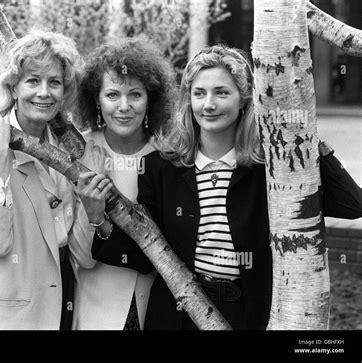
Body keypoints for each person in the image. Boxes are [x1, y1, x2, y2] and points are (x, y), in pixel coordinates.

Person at [89, 44, 362, 330]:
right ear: (189, 100)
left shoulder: (270, 169)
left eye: (222, 92)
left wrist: (306, 135)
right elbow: (145, 254)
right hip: (178, 316)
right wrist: (98, 218)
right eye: (199, 93)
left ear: (244, 99)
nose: (209, 104)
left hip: (250, 314)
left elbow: (351, 204)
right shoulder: (162, 168)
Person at [0, 30, 101, 330]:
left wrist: (93, 215)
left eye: (54, 82)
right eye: (33, 80)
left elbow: (82, 256)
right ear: (13, 86)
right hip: (5, 316)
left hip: (60, 302)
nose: (44, 93)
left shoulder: (69, 150)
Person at [72, 37, 176, 330]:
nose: (124, 107)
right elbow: (81, 258)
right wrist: (92, 212)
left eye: (135, 94)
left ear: (150, 99)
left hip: (154, 313)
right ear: (96, 99)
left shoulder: (168, 157)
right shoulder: (78, 151)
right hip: (95, 315)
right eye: (113, 95)